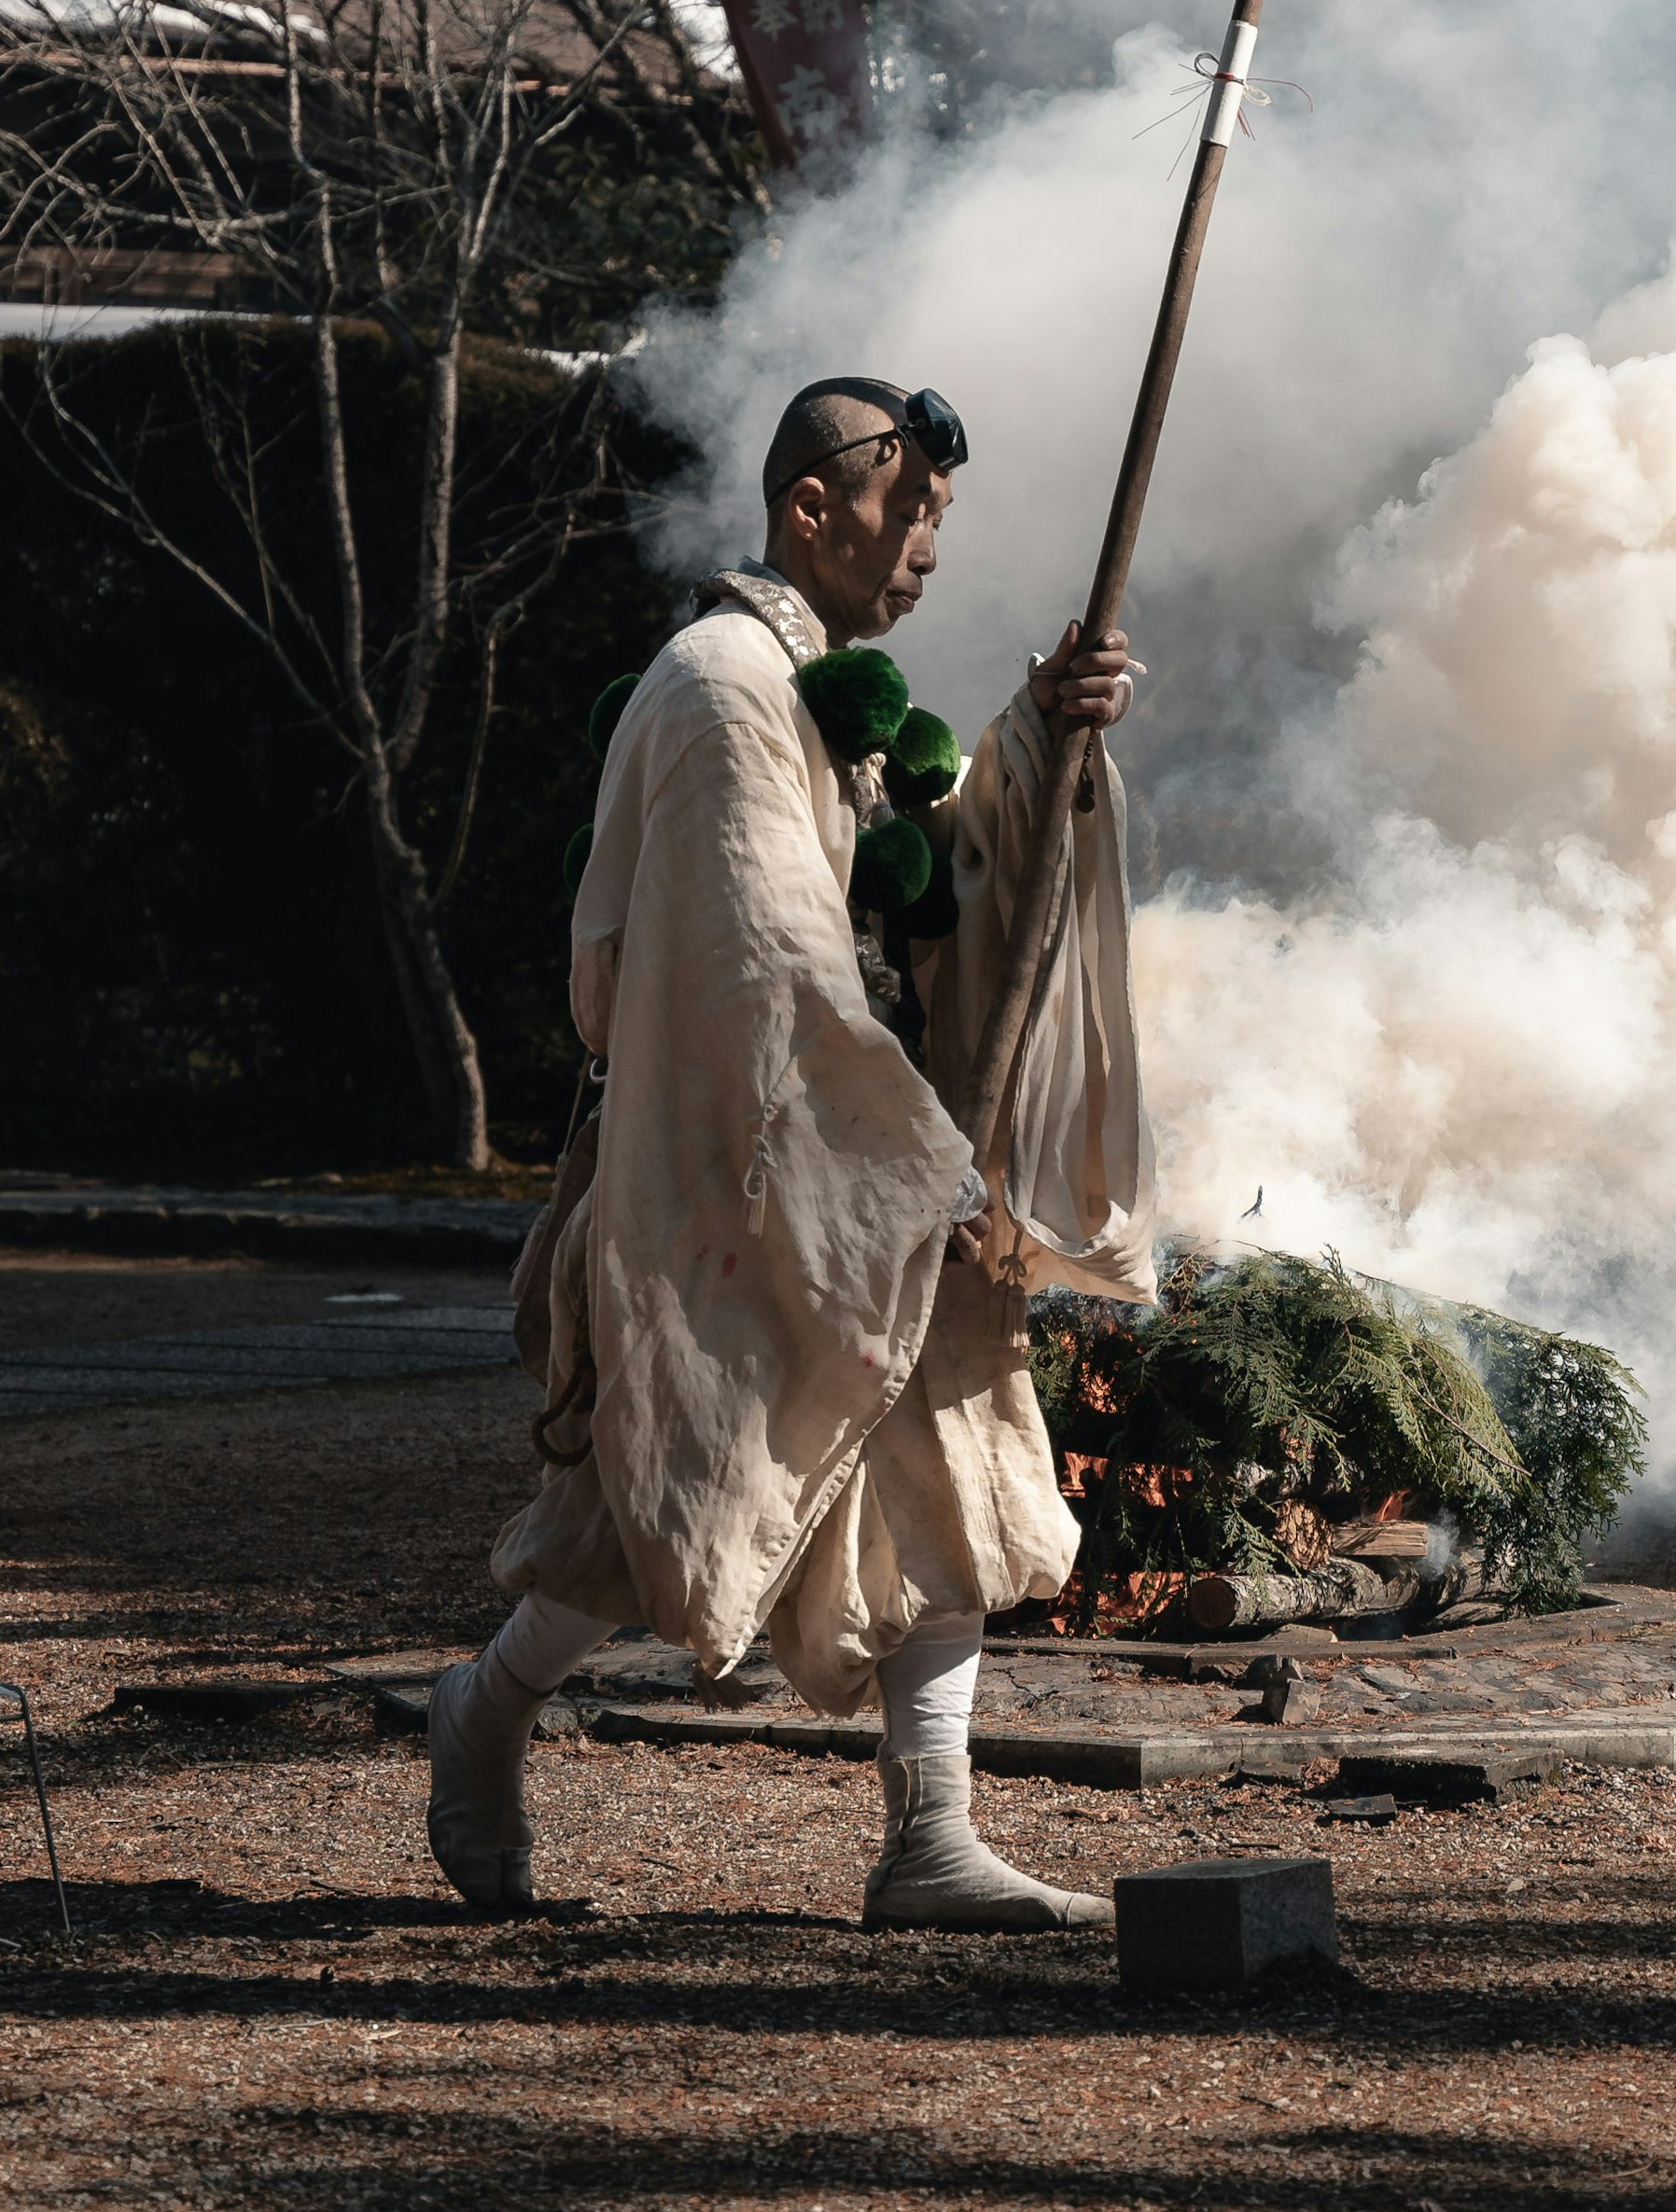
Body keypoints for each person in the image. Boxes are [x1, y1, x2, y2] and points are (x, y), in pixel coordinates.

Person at [434, 378, 1153, 1929]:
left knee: (950, 1443)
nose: (929, 550)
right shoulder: (717, 684)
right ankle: (486, 1711)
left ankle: (932, 1837)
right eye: (912, 511)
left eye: (944, 523)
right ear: (812, 507)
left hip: (872, 1151)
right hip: (728, 1163)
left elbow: (924, 893)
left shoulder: (827, 687)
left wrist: (1043, 736)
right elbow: (764, 959)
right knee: (655, 1503)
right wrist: (921, 1163)